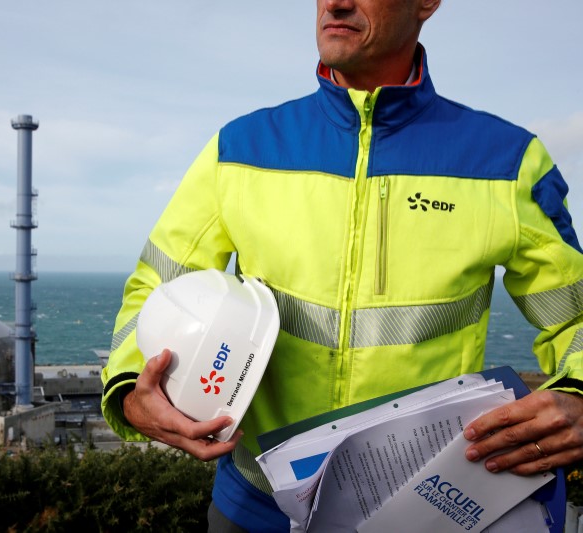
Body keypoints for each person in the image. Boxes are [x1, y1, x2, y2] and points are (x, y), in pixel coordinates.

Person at [101, 0, 583, 530]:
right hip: (256, 508)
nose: (335, 2)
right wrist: (128, 388)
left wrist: (578, 394)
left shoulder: (508, 161)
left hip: (427, 511)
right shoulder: (238, 149)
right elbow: (158, 287)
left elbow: (575, 316)